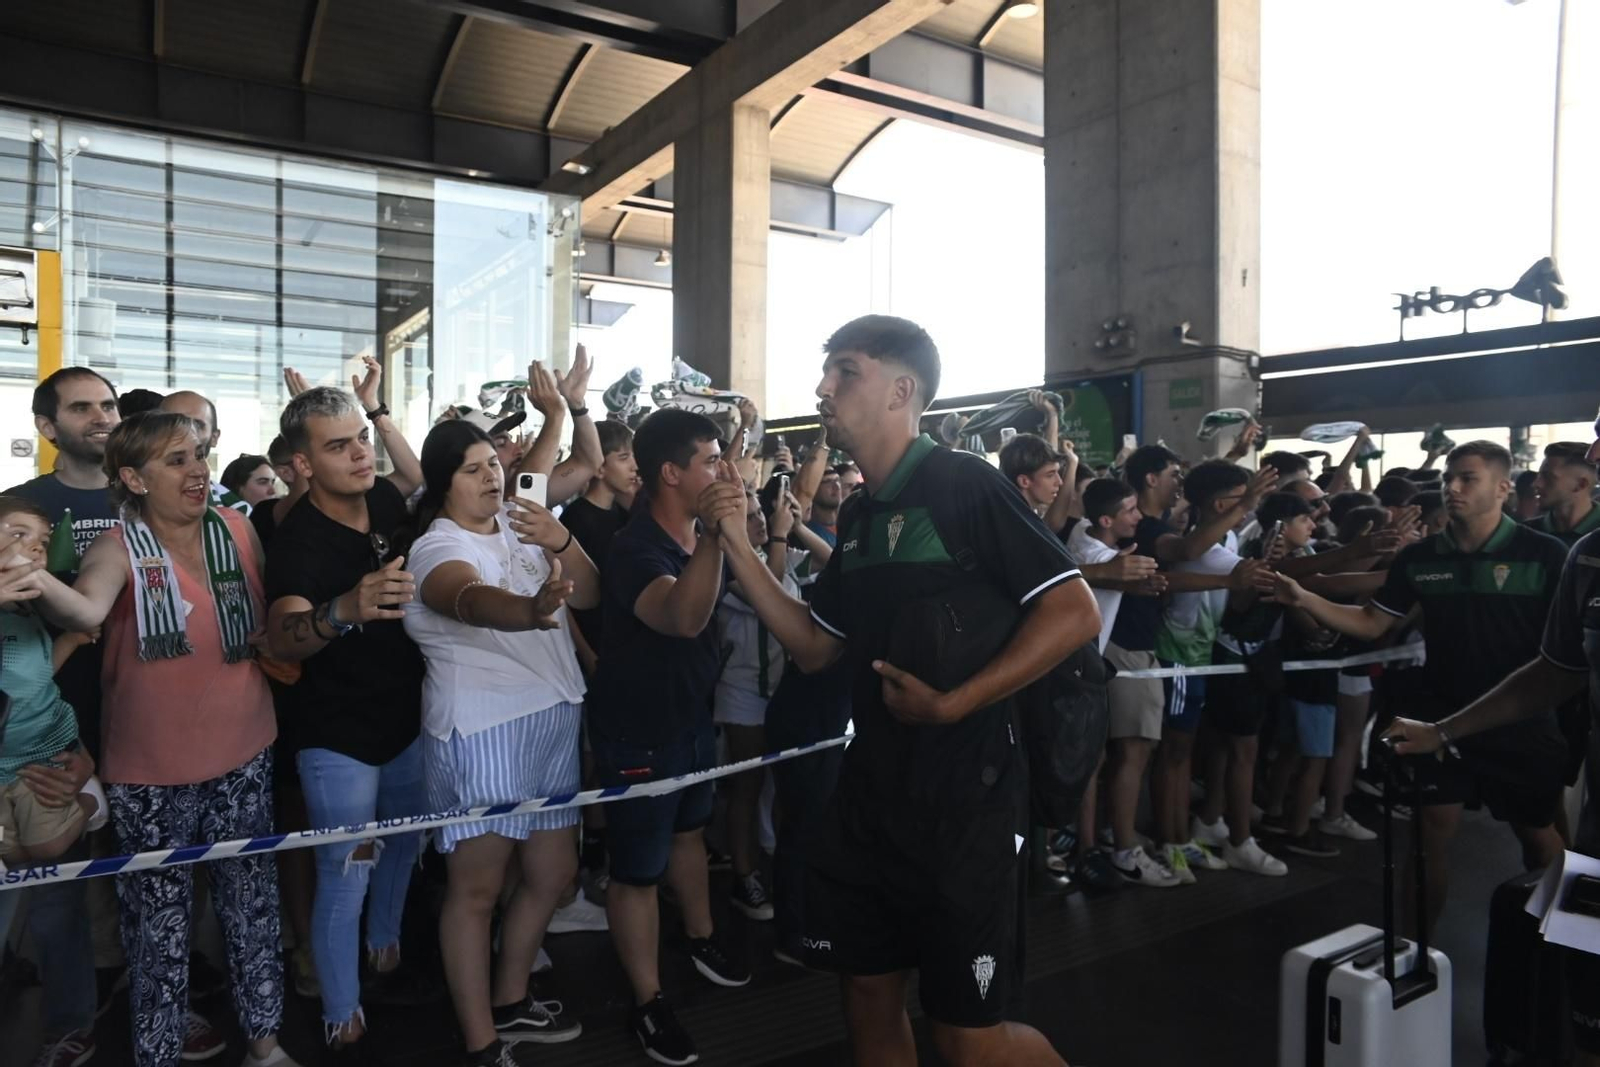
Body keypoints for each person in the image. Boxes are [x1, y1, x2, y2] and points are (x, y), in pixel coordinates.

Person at [711, 315, 1100, 1067]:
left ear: (902, 389)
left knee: (966, 1039)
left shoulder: (964, 484)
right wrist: (734, 542)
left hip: (968, 803)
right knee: (866, 998)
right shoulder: (858, 515)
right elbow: (818, 644)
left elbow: (1073, 609)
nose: (823, 387)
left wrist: (958, 701)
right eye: (827, 371)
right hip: (873, 800)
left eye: (845, 371)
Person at [23, 411, 297, 1067]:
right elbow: (87, 609)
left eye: (199, 454)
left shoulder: (238, 529)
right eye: (176, 459)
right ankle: (158, 1053)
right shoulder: (116, 547)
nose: (197, 470)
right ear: (132, 477)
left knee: (252, 905)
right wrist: (30, 576)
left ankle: (266, 1043)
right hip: (150, 774)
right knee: (157, 926)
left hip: (246, 751)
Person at [1274, 441, 1569, 935]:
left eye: (1467, 478)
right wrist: (1304, 596)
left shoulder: (1544, 554)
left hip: (1519, 718)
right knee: (1426, 841)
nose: (1452, 488)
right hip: (1438, 719)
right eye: (1449, 477)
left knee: (1541, 840)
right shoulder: (1420, 557)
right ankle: (1414, 952)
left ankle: (1568, 949)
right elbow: (1371, 622)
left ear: (1502, 487)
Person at [1385, 429, 1600, 1066]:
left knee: (1540, 841)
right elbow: (1553, 670)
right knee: (1586, 1004)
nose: (1591, 457)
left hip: (1528, 746)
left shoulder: (1550, 553)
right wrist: (1444, 730)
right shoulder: (1588, 558)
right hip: (1597, 820)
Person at [401, 419, 600, 1065]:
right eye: (471, 468)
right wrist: (529, 609)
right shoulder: (436, 544)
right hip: (483, 727)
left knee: (553, 872)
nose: (490, 475)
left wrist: (562, 536)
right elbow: (464, 597)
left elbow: (591, 590)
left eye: (493, 462)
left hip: (553, 716)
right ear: (442, 483)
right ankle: (481, 1040)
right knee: (477, 890)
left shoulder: (525, 520)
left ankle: (511, 998)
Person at [265, 387, 432, 1059]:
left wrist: (381, 413)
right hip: (336, 735)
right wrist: (343, 610)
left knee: (405, 843)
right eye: (339, 444)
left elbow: (415, 478)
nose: (360, 451)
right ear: (301, 463)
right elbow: (280, 637)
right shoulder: (297, 540)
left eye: (360, 436)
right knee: (347, 867)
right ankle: (340, 1008)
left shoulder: (387, 501)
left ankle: (384, 945)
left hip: (407, 717)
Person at [586, 407, 751, 1067]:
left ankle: (701, 934)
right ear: (672, 473)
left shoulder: (689, 534)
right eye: (710, 461)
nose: (720, 471)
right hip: (639, 736)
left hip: (689, 721)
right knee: (637, 872)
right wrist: (717, 536)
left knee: (690, 831)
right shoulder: (635, 550)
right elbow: (683, 617)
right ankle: (648, 1000)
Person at [1098, 445, 1270, 889]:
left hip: (1157, 650)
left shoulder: (1162, 525)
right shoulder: (1153, 529)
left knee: (1165, 751)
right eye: (1173, 472)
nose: (1180, 480)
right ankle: (1143, 844)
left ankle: (1163, 837)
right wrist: (1245, 513)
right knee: (1149, 753)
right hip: (1145, 650)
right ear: (1151, 479)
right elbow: (1187, 553)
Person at [1149, 459, 1279, 880]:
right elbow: (1196, 555)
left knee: (1184, 754)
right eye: (1244, 500)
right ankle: (1171, 842)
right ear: (1223, 504)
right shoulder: (1201, 548)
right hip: (1180, 658)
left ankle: (1181, 835)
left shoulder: (1230, 544)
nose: (1251, 508)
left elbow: (1240, 600)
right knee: (1174, 754)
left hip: (1201, 659)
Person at [1060, 478, 1165, 890]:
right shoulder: (1102, 556)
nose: (1139, 517)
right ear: (1106, 519)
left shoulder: (1080, 531)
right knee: (1100, 759)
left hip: (1082, 666)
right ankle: (1104, 849)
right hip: (1077, 668)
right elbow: (1108, 574)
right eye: (1130, 511)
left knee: (1093, 760)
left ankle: (1086, 845)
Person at [0, 497, 108, 868]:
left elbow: (36, 670)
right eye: (18, 534)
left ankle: (93, 805)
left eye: (42, 542)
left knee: (47, 846)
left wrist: (71, 639)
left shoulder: (27, 606)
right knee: (6, 850)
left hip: (39, 751)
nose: (33, 546)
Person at [158, 390, 251, 513]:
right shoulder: (126, 508)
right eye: (175, 423)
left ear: (214, 437)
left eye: (197, 425)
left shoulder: (237, 511)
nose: (187, 433)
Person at [1527, 441, 1599, 543]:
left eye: (1548, 477)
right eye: (1539, 476)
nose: (1536, 484)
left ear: (1580, 485)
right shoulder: (1524, 534)